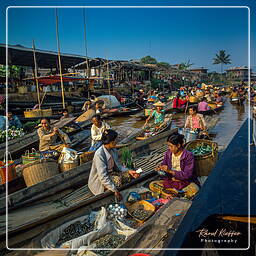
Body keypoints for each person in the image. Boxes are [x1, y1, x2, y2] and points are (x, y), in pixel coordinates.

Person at [88, 129, 139, 200]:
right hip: (100, 179)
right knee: (118, 180)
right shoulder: (99, 154)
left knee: (129, 176)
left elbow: (119, 166)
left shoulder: (113, 150)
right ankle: (106, 187)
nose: (117, 141)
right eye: (116, 140)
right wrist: (114, 190)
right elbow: (102, 176)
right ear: (111, 142)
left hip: (111, 173)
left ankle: (110, 185)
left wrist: (129, 171)